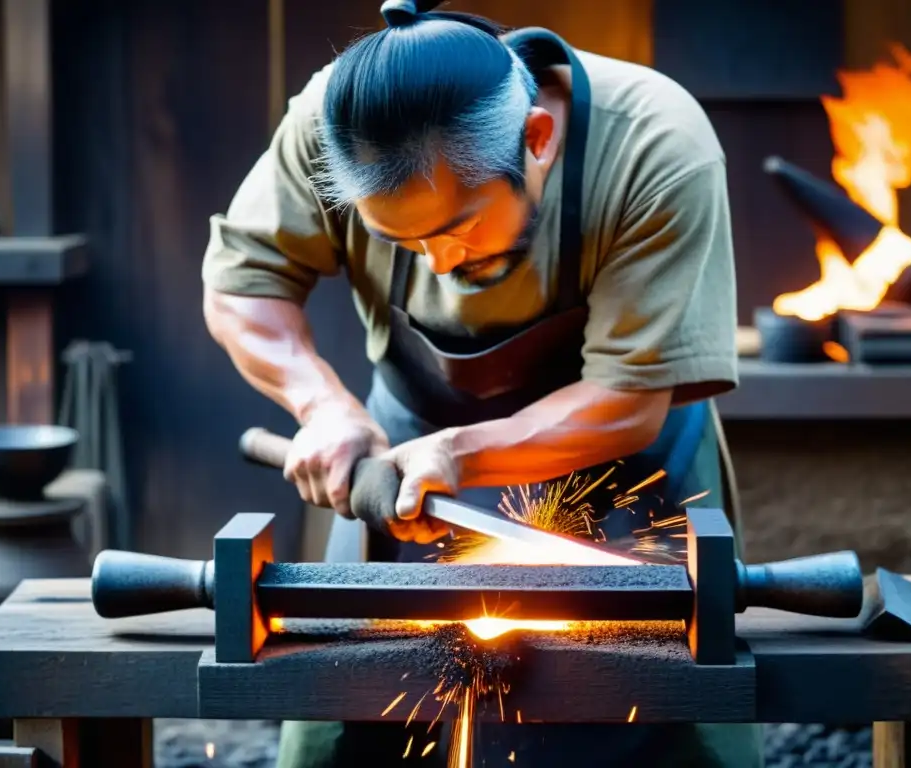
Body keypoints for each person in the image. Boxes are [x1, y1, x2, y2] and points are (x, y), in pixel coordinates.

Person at [202, 1, 759, 765]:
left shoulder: (655, 145)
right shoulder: (333, 122)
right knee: (338, 719)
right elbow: (243, 288)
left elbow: (629, 399)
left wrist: (460, 454)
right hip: (401, 459)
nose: (437, 263)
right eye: (402, 239)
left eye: (458, 226)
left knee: (681, 715)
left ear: (537, 139)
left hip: (627, 460)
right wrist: (323, 407)